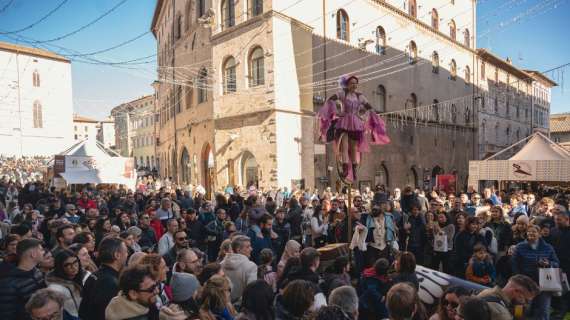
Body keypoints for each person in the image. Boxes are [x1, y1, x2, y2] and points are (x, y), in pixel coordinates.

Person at [317, 74, 389, 181]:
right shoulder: (343, 94)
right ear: (347, 84)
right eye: (352, 83)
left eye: (355, 83)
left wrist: (365, 114)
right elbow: (331, 99)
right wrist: (337, 112)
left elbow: (368, 106)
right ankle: (346, 168)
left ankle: (354, 169)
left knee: (354, 148)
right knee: (345, 146)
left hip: (355, 122)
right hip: (344, 121)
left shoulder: (360, 96)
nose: (354, 85)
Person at [511, 224, 559, 320]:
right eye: (529, 231)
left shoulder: (548, 247)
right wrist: (518, 278)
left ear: (540, 234)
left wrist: (548, 263)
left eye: (534, 231)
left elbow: (556, 263)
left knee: (543, 309)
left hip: (544, 282)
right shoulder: (520, 247)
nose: (531, 233)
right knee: (521, 307)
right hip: (525, 281)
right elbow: (514, 264)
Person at [79, 237, 128, 320]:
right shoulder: (111, 283)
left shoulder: (93, 275)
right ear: (117, 255)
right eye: (126, 251)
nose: (127, 254)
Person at [0, 238, 46, 320]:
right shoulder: (8, 284)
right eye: (41, 250)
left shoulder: (37, 272)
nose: (44, 252)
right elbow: (7, 315)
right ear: (33, 254)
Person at [46, 250, 88, 320]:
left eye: (75, 262)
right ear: (60, 267)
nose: (73, 267)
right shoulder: (55, 288)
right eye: (67, 265)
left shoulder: (85, 275)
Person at [221, 235, 257, 303]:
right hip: (240, 308)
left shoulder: (221, 264)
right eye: (248, 247)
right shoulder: (251, 266)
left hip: (224, 305)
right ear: (238, 249)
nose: (251, 249)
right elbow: (251, 292)